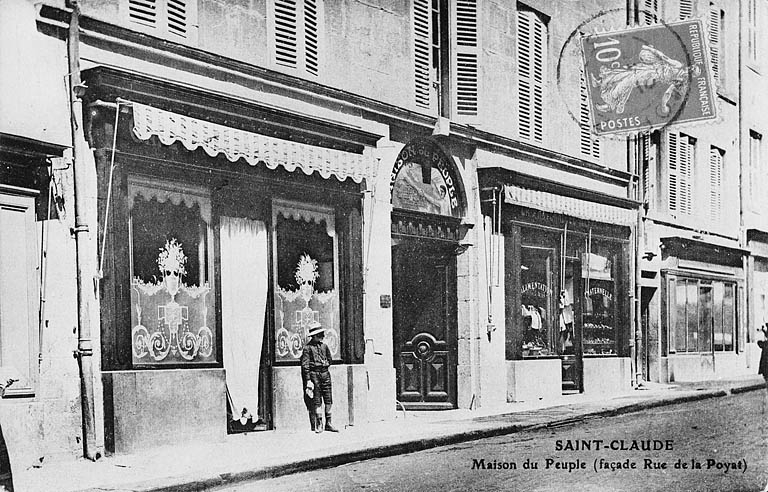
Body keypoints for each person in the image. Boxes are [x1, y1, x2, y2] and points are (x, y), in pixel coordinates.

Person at [300, 322, 339, 433]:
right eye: (319, 334)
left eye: (322, 333)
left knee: (328, 398)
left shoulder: (324, 346)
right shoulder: (308, 348)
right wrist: (308, 380)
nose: (322, 336)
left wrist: (325, 364)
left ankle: (329, 423)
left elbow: (330, 359)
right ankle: (319, 423)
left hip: (325, 374)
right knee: (317, 400)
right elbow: (305, 365)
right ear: (314, 336)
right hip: (314, 375)